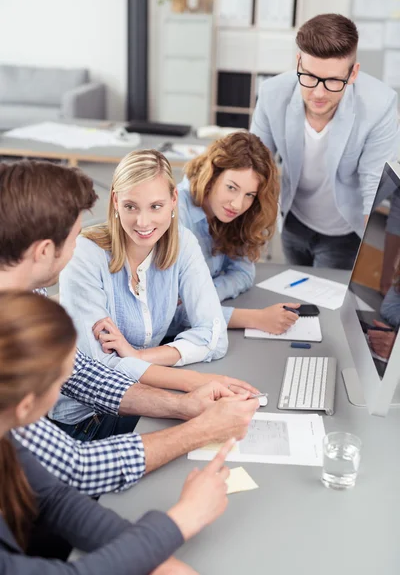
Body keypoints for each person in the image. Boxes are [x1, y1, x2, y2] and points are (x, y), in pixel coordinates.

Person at [0, 159, 259, 496]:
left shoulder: (29, 296)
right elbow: (76, 467)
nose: (79, 246)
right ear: (46, 250)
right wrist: (198, 429)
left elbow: (82, 374)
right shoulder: (21, 317)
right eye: (76, 237)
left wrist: (184, 403)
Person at [0, 290, 240, 575]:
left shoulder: (9, 435)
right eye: (60, 384)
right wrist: (183, 519)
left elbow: (55, 499)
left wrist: (153, 555)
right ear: (25, 405)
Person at [52, 149, 235, 432]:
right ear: (115, 201)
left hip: (145, 396)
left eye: (156, 206)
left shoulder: (182, 243)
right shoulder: (85, 255)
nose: (143, 222)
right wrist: (192, 381)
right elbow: (101, 368)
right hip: (88, 420)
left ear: (174, 200)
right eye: (131, 206)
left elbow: (213, 335)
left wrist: (139, 357)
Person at [251, 13, 399, 270]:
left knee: (327, 305)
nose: (318, 93)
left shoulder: (380, 105)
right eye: (309, 77)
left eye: (332, 81)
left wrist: (379, 271)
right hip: (294, 221)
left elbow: (374, 191)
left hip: (344, 231)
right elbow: (252, 165)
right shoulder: (272, 93)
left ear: (353, 73)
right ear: (298, 62)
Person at [178, 131, 300, 334]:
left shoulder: (236, 215)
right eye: (231, 187)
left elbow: (243, 273)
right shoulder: (175, 215)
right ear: (212, 175)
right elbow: (171, 316)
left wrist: (201, 295)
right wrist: (255, 318)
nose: (237, 204)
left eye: (249, 194)